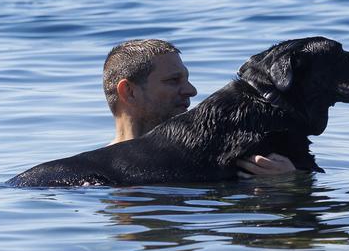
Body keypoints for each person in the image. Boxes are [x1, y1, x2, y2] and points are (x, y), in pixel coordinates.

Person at [103, 38, 295, 177]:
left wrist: (288, 177)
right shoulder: (99, 172)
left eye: (187, 80)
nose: (192, 91)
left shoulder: (227, 155)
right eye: (173, 80)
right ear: (129, 92)